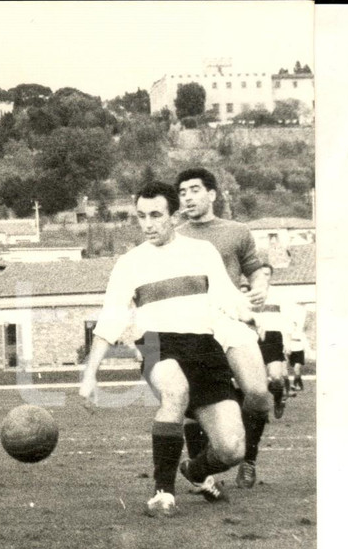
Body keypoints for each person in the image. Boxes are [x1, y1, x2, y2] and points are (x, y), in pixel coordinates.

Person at [79, 182, 247, 517]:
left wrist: (249, 317)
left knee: (233, 450)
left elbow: (229, 302)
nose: (147, 224)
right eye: (141, 216)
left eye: (156, 215)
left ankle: (195, 472)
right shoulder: (130, 263)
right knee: (175, 391)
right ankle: (163, 493)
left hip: (204, 347)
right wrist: (89, 375)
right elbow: (110, 320)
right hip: (157, 342)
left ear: (175, 215)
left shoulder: (202, 252)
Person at [175, 167, 274, 489]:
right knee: (198, 403)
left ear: (212, 194)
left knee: (258, 394)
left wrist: (260, 286)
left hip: (232, 320)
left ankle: (249, 458)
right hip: (196, 328)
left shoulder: (237, 231)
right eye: (182, 192)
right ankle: (204, 471)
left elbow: (255, 270)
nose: (187, 197)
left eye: (194, 189)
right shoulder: (177, 237)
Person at [246, 288, 288, 419]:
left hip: (273, 337)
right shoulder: (247, 294)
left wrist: (287, 341)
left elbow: (287, 320)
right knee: (257, 382)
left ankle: (278, 399)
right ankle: (256, 413)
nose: (264, 277)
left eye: (267, 274)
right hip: (253, 337)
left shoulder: (278, 294)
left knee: (276, 377)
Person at [287, 325, 307, 394]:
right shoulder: (289, 334)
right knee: (296, 370)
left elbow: (305, 342)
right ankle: (301, 385)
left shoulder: (301, 333)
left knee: (296, 369)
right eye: (292, 326)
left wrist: (307, 351)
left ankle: (294, 384)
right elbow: (287, 343)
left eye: (295, 325)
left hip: (299, 351)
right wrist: (287, 350)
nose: (293, 327)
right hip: (292, 353)